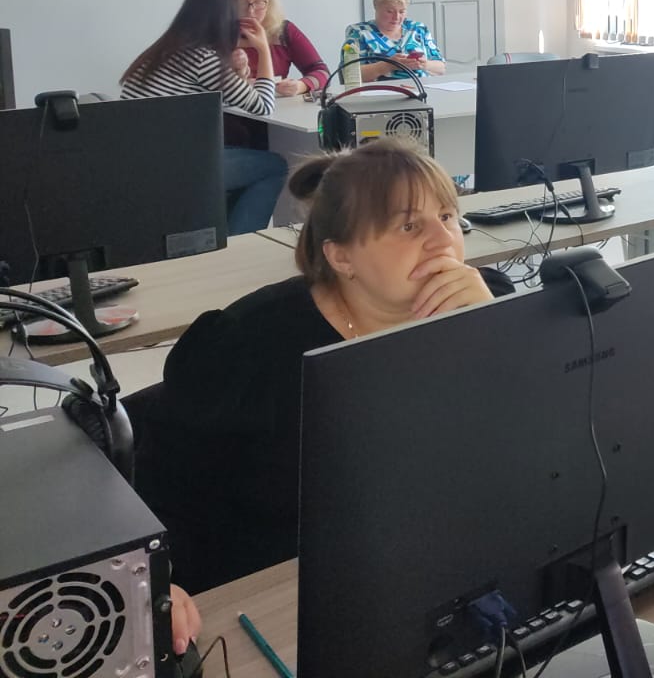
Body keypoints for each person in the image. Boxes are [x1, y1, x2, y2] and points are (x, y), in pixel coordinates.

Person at [130, 139, 512, 593]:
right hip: (270, 578)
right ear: (341, 256)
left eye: (447, 217)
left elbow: (520, 442)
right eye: (409, 226)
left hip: (419, 559)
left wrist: (492, 331)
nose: (443, 240)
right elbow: (163, 484)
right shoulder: (250, 344)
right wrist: (161, 584)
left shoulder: (483, 302)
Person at [121, 0, 288, 235]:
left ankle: (225, 238)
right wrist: (264, 49)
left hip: (141, 161)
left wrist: (238, 74)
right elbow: (263, 106)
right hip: (177, 166)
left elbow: (222, 99)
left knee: (243, 157)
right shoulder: (202, 58)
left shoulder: (161, 51)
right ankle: (239, 244)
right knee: (274, 166)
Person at [221, 0, 330, 150]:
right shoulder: (216, 33)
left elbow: (322, 71)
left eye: (259, 3)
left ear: (268, 3)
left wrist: (300, 86)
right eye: (242, 3)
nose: (251, 11)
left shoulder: (283, 30)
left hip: (278, 117)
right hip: (231, 125)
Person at [343, 0, 446, 82]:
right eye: (390, 11)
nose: (396, 17)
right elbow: (348, 75)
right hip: (380, 92)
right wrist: (387, 66)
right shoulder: (359, 32)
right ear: (375, 5)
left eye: (402, 11)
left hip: (421, 89)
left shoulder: (418, 29)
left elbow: (441, 68)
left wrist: (424, 64)